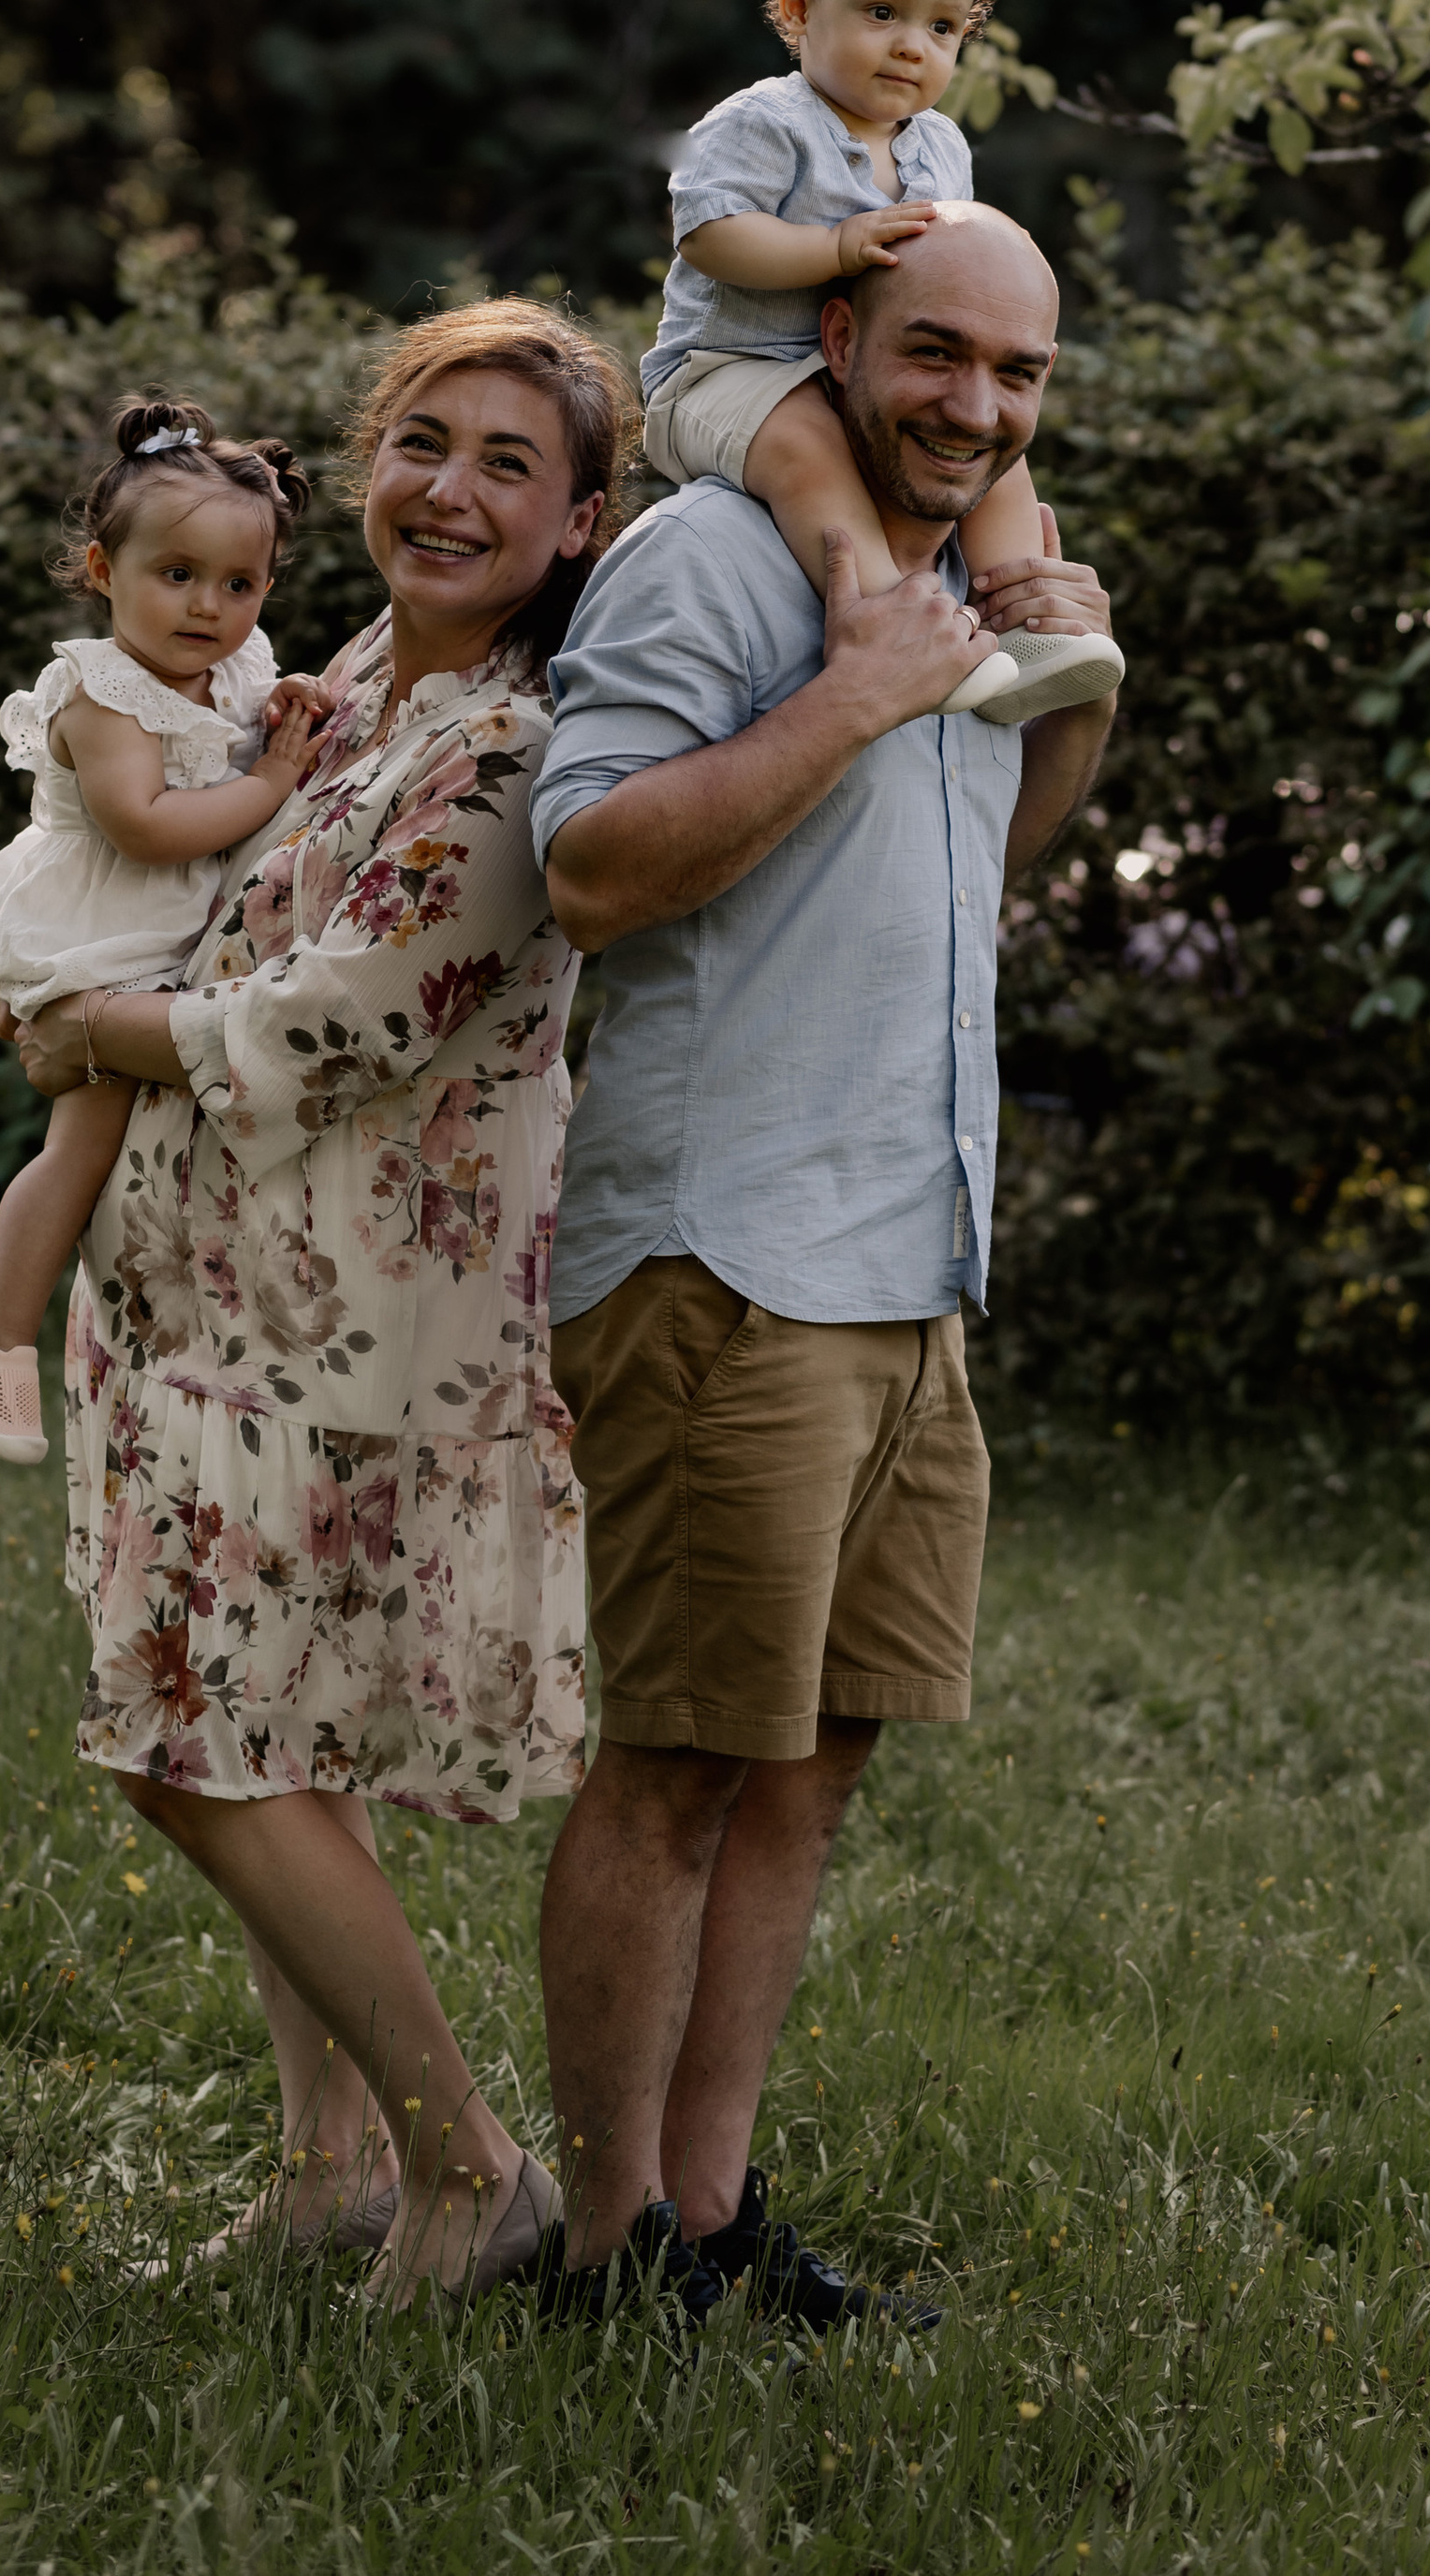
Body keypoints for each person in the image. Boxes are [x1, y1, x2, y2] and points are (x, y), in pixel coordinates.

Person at [9, 302, 635, 2308]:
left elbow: (340, 1017)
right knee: (258, 1735)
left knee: (193, 1748)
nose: (447, 490)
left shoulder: (514, 749)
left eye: (509, 464)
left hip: (344, 1327)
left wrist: (91, 1027)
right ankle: (327, 2165)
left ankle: (470, 2170)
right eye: (421, 441)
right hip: (196, 1290)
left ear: (579, 523)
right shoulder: (343, 673)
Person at [529, 203, 1115, 2329]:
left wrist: (1071, 680)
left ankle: (706, 2213)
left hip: (904, 1259)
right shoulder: (712, 555)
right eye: (936, 351)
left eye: (1019, 373)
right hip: (728, 1254)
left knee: (812, 1755)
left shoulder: (958, 584)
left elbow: (969, 857)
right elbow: (588, 865)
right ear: (840, 338)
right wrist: (856, 691)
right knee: (679, 1760)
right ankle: (602, 2253)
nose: (976, 403)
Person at [0, 400, 330, 1470]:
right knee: (83, 1145)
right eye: (177, 574)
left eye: (238, 584)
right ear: (105, 570)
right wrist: (272, 779)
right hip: (102, 931)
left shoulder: (228, 665)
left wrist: (281, 706)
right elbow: (145, 826)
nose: (207, 606)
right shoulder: (103, 695)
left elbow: (240, 723)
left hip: (159, 936)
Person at [640, 0, 1123, 729]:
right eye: (881, 12)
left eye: (942, 27)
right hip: (726, 376)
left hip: (857, 382)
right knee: (808, 448)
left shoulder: (941, 146)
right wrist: (832, 245)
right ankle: (888, 627)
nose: (911, 44)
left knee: (995, 453)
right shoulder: (764, 121)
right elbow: (709, 234)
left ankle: (1024, 628)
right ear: (799, 8)